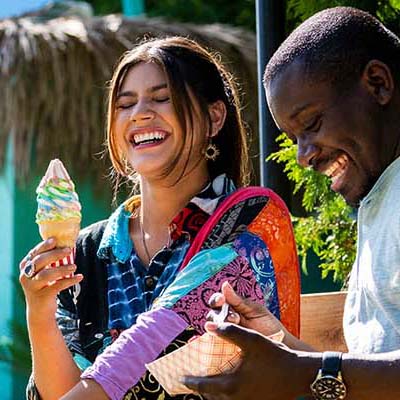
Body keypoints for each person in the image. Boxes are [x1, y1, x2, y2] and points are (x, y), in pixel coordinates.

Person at [19, 36, 301, 400]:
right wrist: (39, 314)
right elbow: (63, 392)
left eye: (161, 97)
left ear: (214, 117)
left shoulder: (250, 220)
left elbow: (166, 330)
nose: (139, 113)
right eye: (125, 103)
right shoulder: (89, 250)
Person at [183, 6, 400, 400]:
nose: (302, 157)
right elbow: (374, 374)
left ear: (378, 83)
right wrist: (280, 344)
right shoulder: (380, 196)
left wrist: (305, 370)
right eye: (293, 137)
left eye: (312, 123)